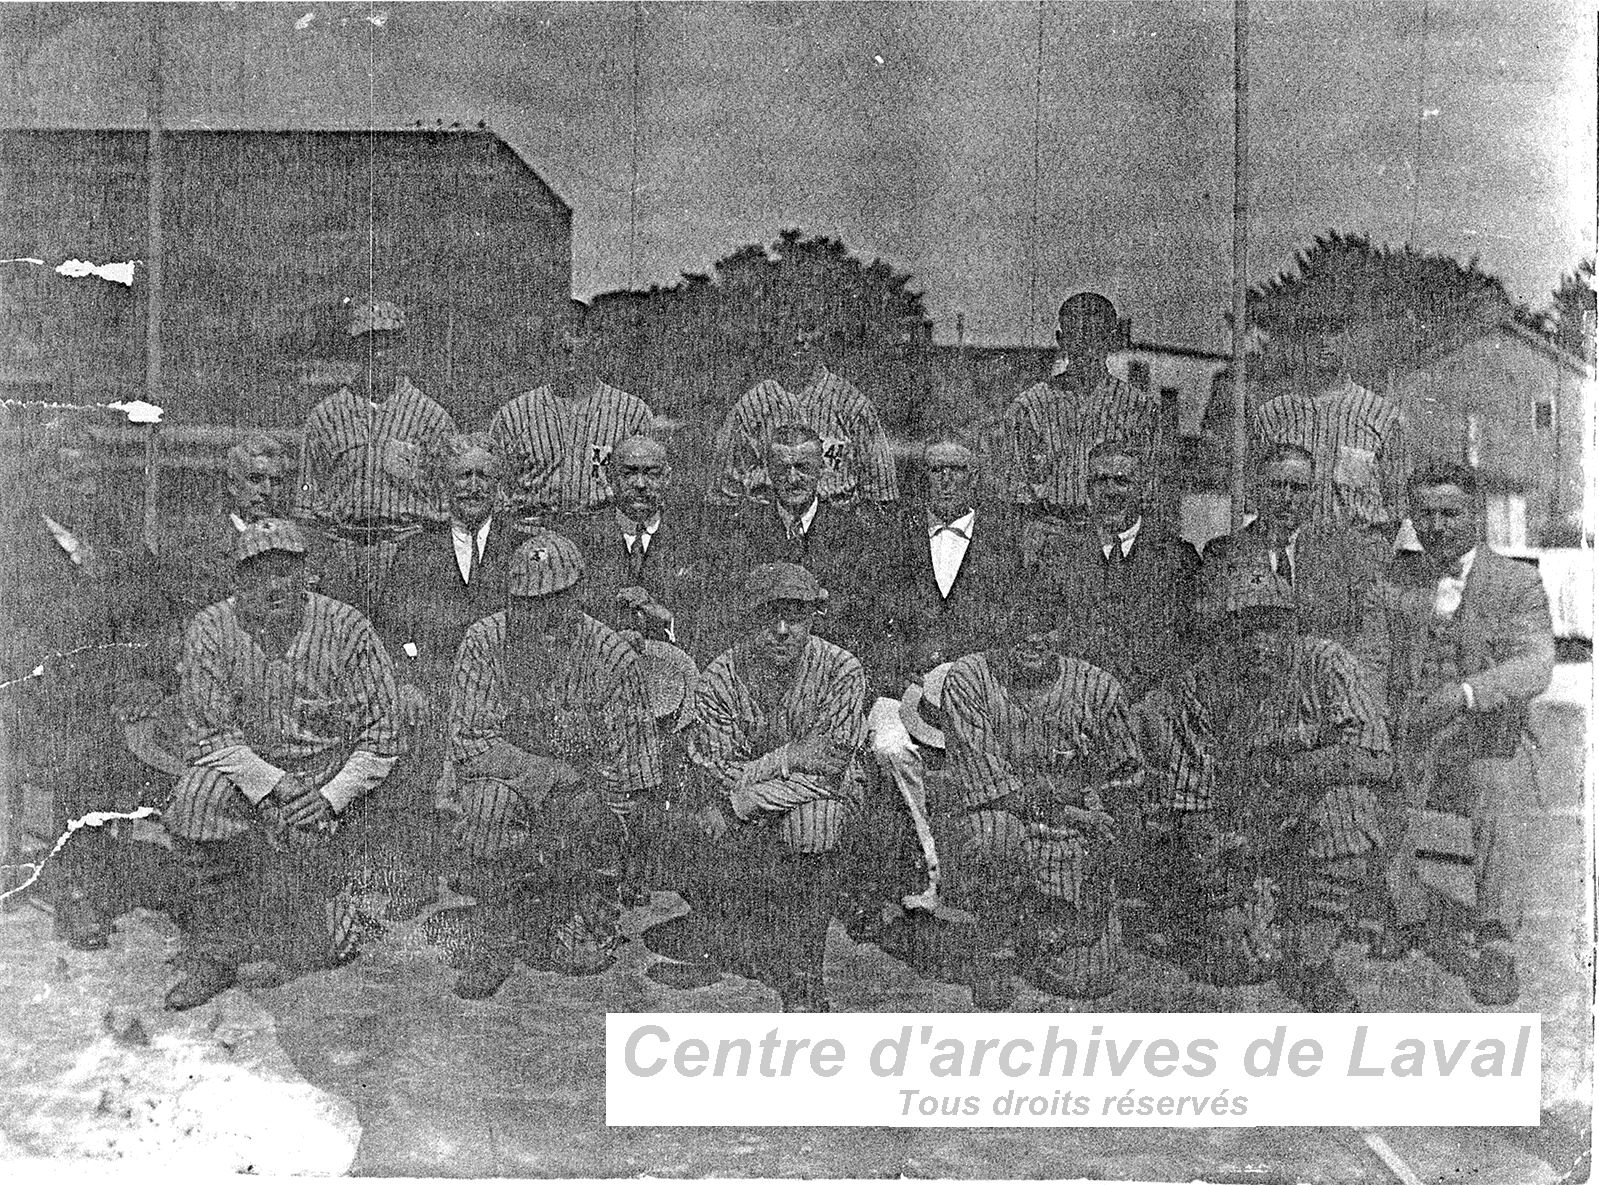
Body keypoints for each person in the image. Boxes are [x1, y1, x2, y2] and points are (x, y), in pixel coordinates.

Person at [162, 518, 403, 1010]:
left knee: (319, 949)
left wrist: (331, 797)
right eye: (258, 573)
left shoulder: (346, 625)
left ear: (307, 574)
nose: (273, 585)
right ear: (238, 581)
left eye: (285, 571)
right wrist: (271, 786)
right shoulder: (212, 627)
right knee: (195, 796)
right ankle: (214, 952)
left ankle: (324, 907)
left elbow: (384, 730)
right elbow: (209, 734)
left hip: (326, 781)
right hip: (246, 773)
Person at [1136, 562, 1393, 1009]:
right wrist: (1222, 901)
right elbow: (1191, 803)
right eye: (1244, 629)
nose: (1259, 643)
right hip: (1241, 824)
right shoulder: (1201, 684)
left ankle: (1314, 957)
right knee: (1236, 965)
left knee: (1347, 807)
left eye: (1273, 627)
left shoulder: (1327, 663)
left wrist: (1287, 772)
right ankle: (1248, 916)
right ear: (1222, 633)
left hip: (1313, 817)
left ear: (1293, 626)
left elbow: (1377, 761)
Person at [1352, 461, 1553, 1006]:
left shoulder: (1516, 581)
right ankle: (1405, 911)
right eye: (1426, 514)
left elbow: (1535, 665)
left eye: (1450, 513)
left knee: (1498, 792)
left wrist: (1462, 694)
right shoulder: (1393, 580)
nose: (1437, 526)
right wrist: (1382, 717)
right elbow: (1369, 662)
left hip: (1484, 737)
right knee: (1369, 781)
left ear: (1477, 514)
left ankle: (1494, 941)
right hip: (1413, 735)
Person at [443, 532, 662, 999]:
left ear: (580, 593)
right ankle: (497, 935)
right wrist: (554, 778)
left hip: (589, 813)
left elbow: (637, 774)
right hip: (519, 789)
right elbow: (470, 743)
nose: (542, 612)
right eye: (529, 601)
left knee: (581, 959)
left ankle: (574, 903)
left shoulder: (613, 656)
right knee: (488, 804)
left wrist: (614, 862)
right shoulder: (485, 641)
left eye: (556, 598)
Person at [682, 562, 867, 1011]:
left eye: (796, 616)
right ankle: (739, 927)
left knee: (814, 823)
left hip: (819, 800)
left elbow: (829, 768)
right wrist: (788, 759)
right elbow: (719, 771)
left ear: (813, 618)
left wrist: (746, 795)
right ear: (748, 619)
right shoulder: (720, 677)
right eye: (769, 617)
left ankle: (805, 971)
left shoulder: (841, 668)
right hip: (745, 808)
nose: (782, 630)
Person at [939, 601, 1143, 1008]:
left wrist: (1108, 848)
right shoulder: (969, 679)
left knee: (1088, 980)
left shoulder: (1098, 687)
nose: (1032, 638)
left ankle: (1052, 924)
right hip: (1007, 819)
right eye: (1020, 625)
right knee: (990, 831)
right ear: (999, 625)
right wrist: (1066, 807)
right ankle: (995, 942)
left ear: (1065, 632)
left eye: (1046, 626)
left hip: (1078, 835)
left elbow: (1126, 780)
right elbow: (989, 787)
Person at [867, 430, 1023, 912]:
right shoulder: (891, 539)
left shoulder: (1005, 543)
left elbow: (1012, 624)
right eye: (937, 470)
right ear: (923, 479)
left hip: (979, 691)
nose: (947, 480)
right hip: (904, 686)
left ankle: (986, 879)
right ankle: (929, 869)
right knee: (890, 746)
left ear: (975, 478)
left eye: (958, 470)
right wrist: (907, 678)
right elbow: (872, 619)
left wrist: (969, 678)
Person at [369, 432, 521, 919]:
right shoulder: (416, 554)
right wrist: (410, 676)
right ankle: (412, 875)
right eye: (463, 476)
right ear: (444, 486)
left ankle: (494, 879)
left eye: (484, 476)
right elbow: (396, 630)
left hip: (502, 690)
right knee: (408, 748)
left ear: (499, 486)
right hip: (431, 685)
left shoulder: (522, 550)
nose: (473, 486)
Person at [297, 298, 457, 618]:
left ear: (403, 347)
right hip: (342, 551)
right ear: (355, 349)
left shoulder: (432, 417)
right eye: (369, 343)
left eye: (389, 342)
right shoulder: (325, 416)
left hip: (408, 550)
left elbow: (450, 506)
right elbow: (306, 507)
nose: (379, 353)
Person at [707, 423, 887, 669]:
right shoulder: (742, 531)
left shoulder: (853, 533)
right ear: (769, 472)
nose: (793, 479)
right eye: (782, 469)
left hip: (830, 667)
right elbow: (731, 607)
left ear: (822, 469)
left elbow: (860, 612)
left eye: (803, 468)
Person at [1035, 439, 1200, 704]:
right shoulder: (1059, 555)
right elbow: (1043, 631)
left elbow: (1191, 647)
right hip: (1077, 705)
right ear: (1088, 490)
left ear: (1143, 489)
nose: (1111, 492)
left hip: (1151, 710)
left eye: (1122, 481)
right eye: (1101, 481)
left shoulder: (1178, 558)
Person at [1001, 293, 1169, 553]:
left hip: (1113, 542)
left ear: (1112, 340)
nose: (1087, 344)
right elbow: (1012, 490)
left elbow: (1151, 492)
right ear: (1061, 340)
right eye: (1077, 334)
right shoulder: (1028, 408)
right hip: (1049, 538)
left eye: (1097, 334)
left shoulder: (1140, 409)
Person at [1250, 311, 1410, 555]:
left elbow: (1399, 503)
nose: (1324, 341)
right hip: (1290, 558)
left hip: (1357, 559)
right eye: (1314, 331)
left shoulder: (1383, 415)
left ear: (1349, 338)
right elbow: (1254, 497)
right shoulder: (1271, 415)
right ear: (1300, 341)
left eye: (1334, 332)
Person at [707, 314, 899, 508]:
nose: (799, 339)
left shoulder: (852, 406)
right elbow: (722, 494)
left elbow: (882, 494)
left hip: (837, 529)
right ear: (776, 335)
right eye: (789, 329)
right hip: (768, 528)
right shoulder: (751, 407)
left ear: (823, 335)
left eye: (809, 328)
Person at [1201, 442, 1380, 646]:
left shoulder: (1339, 554)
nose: (1286, 498)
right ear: (1256, 491)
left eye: (1297, 488)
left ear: (1312, 495)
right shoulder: (1225, 553)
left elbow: (1360, 634)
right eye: (1276, 486)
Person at [488, 301, 654, 518]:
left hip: (605, 536)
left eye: (575, 333)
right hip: (532, 535)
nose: (565, 343)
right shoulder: (513, 415)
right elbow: (493, 491)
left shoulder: (632, 413)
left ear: (595, 341)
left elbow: (652, 488)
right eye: (555, 335)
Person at [556, 434, 708, 656]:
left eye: (652, 474)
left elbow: (711, 626)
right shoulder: (578, 539)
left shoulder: (695, 541)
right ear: (609, 477)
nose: (640, 484)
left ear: (667, 478)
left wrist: (668, 622)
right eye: (628, 474)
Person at [158, 431, 296, 623]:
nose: (266, 491)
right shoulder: (200, 546)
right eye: (255, 479)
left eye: (275, 482)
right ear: (232, 484)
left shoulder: (296, 543)